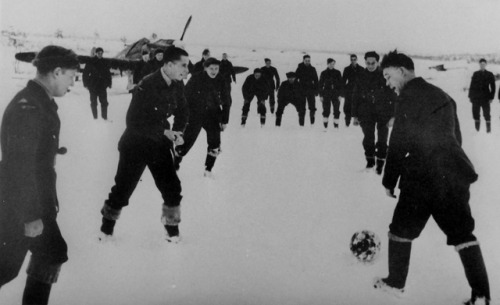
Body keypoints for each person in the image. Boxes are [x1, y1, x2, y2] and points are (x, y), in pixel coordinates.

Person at [375, 50, 490, 305]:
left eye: (387, 75)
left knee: (400, 230)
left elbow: (399, 141)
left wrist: (388, 179)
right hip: (453, 174)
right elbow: (455, 138)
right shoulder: (444, 96)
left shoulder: (408, 96)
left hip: (422, 177)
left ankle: (395, 283)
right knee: (463, 234)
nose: (387, 82)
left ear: (401, 71)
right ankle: (481, 295)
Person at [0, 45, 78, 305]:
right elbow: (19, 167)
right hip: (20, 204)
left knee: (51, 252)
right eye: (71, 76)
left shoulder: (40, 101)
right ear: (56, 72)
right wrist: (31, 215)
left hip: (34, 201)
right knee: (5, 268)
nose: (73, 83)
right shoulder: (29, 107)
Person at [99, 47, 189, 243]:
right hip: (135, 144)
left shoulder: (177, 84)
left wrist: (179, 131)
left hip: (158, 145)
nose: (186, 69)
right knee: (123, 190)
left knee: (172, 187)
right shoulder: (147, 84)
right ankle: (106, 230)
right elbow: (133, 121)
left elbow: (183, 110)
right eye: (184, 65)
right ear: (169, 65)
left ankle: (171, 230)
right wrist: (165, 131)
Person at [175, 58, 231, 177]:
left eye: (216, 68)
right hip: (195, 114)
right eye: (211, 68)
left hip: (213, 115)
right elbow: (184, 96)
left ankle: (208, 169)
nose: (214, 71)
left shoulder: (221, 79)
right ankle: (175, 162)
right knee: (186, 142)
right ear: (205, 68)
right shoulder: (196, 78)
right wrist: (185, 114)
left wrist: (224, 120)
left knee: (215, 143)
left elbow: (227, 100)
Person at [351, 51, 395, 174]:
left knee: (382, 139)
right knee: (368, 138)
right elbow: (355, 96)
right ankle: (370, 162)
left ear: (377, 62)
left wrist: (393, 115)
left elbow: (392, 94)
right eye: (368, 63)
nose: (370, 65)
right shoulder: (360, 75)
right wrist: (354, 115)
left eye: (373, 63)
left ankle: (380, 164)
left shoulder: (384, 74)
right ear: (365, 62)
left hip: (383, 112)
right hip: (366, 112)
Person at [83, 47, 112, 120]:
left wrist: (109, 83)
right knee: (93, 103)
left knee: (104, 103)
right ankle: (95, 118)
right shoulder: (91, 61)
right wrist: (86, 84)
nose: (100, 55)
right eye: (99, 53)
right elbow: (85, 73)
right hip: (93, 86)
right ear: (96, 53)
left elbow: (108, 73)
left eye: (101, 53)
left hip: (102, 86)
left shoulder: (104, 62)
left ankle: (104, 117)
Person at [468, 59, 495, 133]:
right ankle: (477, 130)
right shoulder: (475, 74)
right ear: (479, 65)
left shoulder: (490, 74)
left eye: (484, 64)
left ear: (486, 65)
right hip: (476, 97)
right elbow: (472, 85)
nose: (482, 65)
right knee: (475, 113)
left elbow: (493, 87)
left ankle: (488, 130)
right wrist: (470, 96)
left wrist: (491, 97)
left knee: (487, 113)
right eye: (481, 64)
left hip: (486, 97)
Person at [318, 58, 343, 129]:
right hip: (326, 94)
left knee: (336, 110)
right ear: (327, 64)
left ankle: (336, 125)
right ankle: (325, 126)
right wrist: (321, 95)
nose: (332, 65)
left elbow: (341, 85)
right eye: (330, 64)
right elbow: (320, 85)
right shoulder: (323, 73)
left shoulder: (338, 72)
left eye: (333, 64)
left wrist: (340, 95)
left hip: (336, 94)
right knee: (326, 110)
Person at [295, 55, 319, 125]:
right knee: (301, 108)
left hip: (310, 90)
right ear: (303, 60)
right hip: (301, 90)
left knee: (312, 107)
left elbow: (316, 80)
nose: (308, 62)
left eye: (309, 60)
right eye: (306, 60)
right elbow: (295, 79)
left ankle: (312, 123)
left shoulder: (312, 69)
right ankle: (301, 124)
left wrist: (316, 91)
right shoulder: (299, 68)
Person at [342, 54, 364, 126]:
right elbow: (343, 81)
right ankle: (347, 123)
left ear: (357, 59)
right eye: (352, 59)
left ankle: (357, 121)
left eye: (354, 59)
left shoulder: (361, 69)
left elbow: (364, 81)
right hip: (349, 90)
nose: (353, 61)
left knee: (358, 105)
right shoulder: (347, 69)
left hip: (359, 90)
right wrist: (344, 91)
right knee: (347, 106)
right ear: (350, 60)